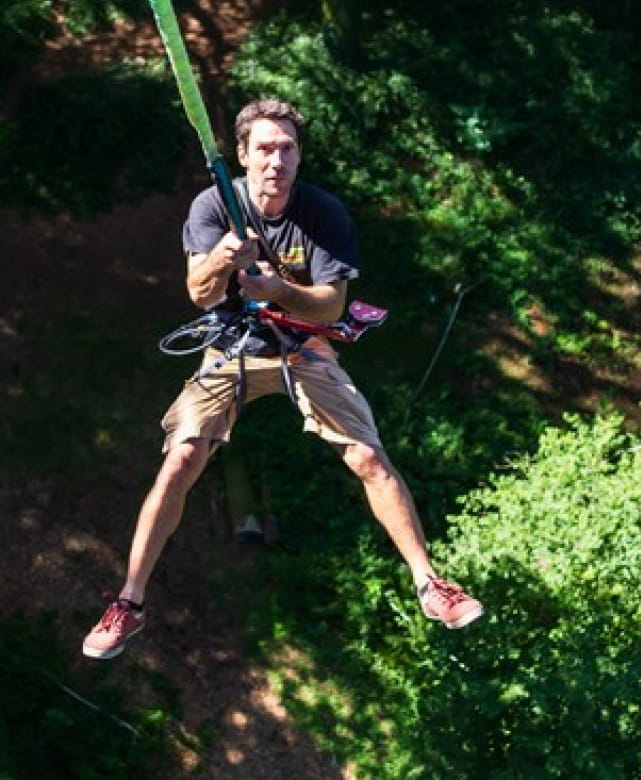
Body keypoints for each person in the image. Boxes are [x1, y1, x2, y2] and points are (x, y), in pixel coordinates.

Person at [81, 98, 483, 660]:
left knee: (368, 456)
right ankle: (129, 603)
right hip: (231, 343)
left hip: (302, 343)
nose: (277, 160)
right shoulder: (212, 206)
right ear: (243, 155)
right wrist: (225, 256)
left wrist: (280, 291)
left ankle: (429, 584)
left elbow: (328, 305)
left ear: (299, 156)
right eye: (265, 149)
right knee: (182, 456)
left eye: (287, 148)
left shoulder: (323, 213)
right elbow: (199, 293)